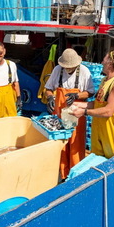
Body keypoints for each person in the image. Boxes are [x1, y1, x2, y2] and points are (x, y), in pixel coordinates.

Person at [44, 48, 95, 179]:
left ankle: (76, 175)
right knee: (61, 144)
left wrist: (77, 94)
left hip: (77, 114)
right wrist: (50, 98)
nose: (68, 69)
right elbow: (48, 88)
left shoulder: (84, 71)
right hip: (60, 115)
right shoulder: (57, 70)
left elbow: (90, 92)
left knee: (75, 144)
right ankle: (63, 173)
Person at [70, 50, 114, 158]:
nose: (102, 62)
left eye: (104, 59)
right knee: (97, 161)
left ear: (110, 63)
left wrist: (84, 112)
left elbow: (108, 111)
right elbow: (98, 104)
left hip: (113, 133)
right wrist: (78, 105)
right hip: (100, 130)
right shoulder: (105, 80)